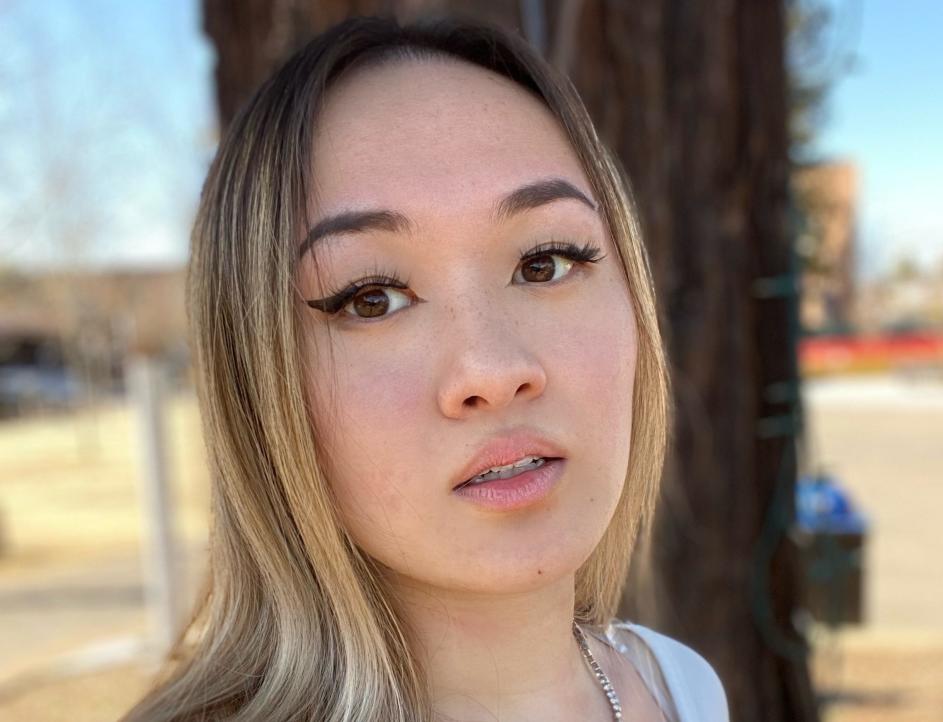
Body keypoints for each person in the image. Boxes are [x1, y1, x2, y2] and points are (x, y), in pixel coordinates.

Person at [124, 14, 728, 722]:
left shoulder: (680, 686)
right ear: (259, 389)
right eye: (372, 299)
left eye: (545, 263)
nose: (494, 370)